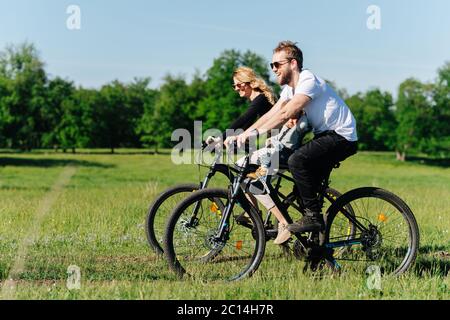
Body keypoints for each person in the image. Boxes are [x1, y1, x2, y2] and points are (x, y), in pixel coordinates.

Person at [235, 41, 358, 243]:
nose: (273, 69)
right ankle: (317, 249)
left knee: (296, 161)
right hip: (325, 136)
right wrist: (242, 133)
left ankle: (313, 218)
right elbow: (272, 113)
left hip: (341, 136)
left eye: (277, 64)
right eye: (271, 65)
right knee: (303, 191)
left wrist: (253, 134)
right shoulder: (290, 90)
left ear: (293, 63)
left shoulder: (308, 80)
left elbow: (286, 113)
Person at [205, 66, 274, 146]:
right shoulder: (258, 100)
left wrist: (219, 138)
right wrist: (224, 141)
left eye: (239, 85)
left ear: (250, 83)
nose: (236, 89)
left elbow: (243, 119)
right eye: (234, 86)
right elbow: (246, 125)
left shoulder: (261, 99)